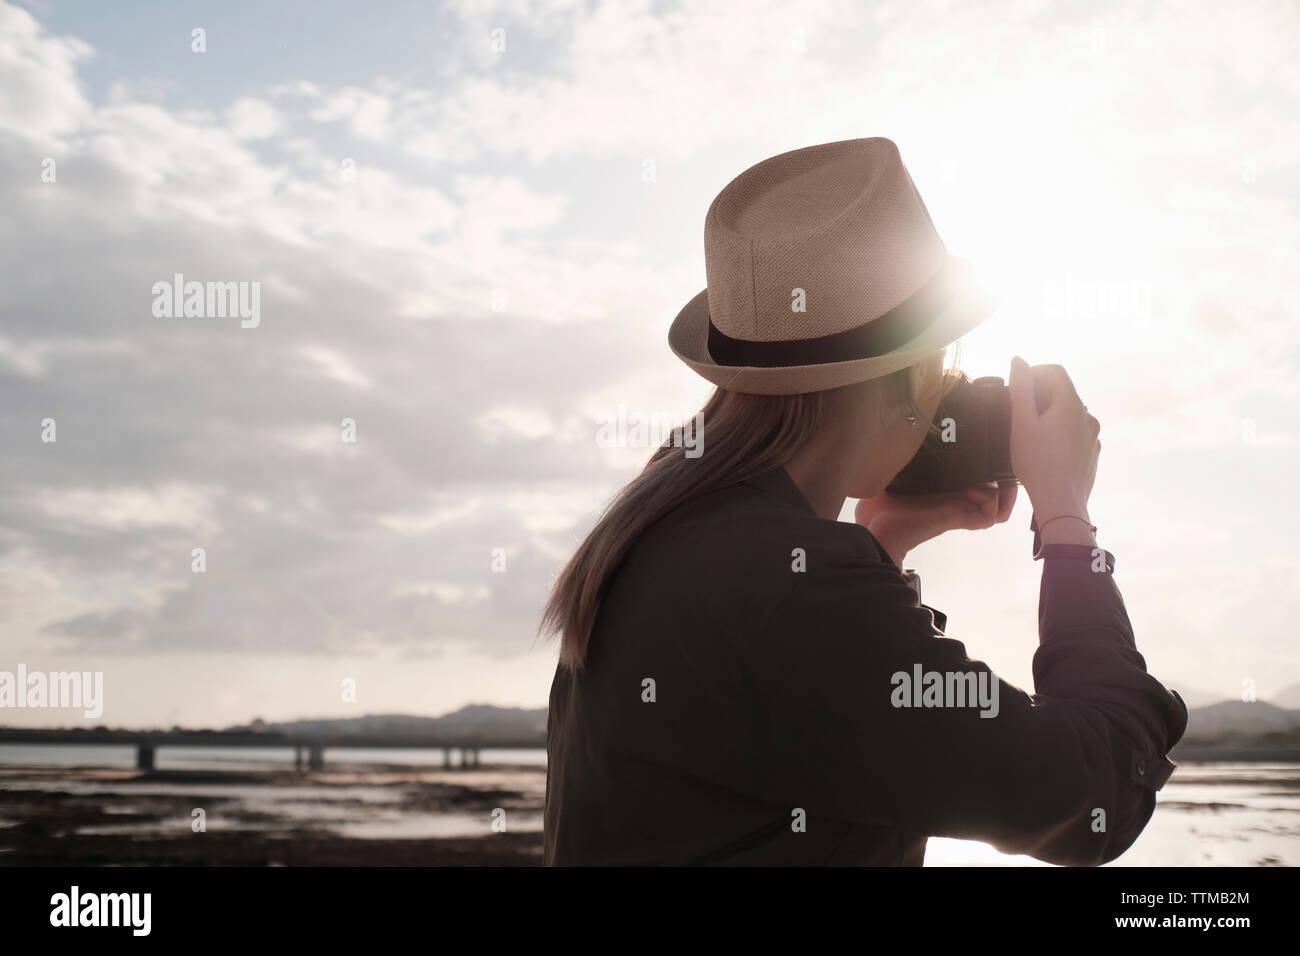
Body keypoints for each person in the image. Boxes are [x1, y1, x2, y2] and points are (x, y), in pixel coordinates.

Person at [538, 137, 1188, 865]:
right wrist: (1066, 520)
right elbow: (1092, 790)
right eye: (946, 362)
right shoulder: (791, 593)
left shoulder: (652, 539)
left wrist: (881, 543)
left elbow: (800, 737)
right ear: (910, 377)